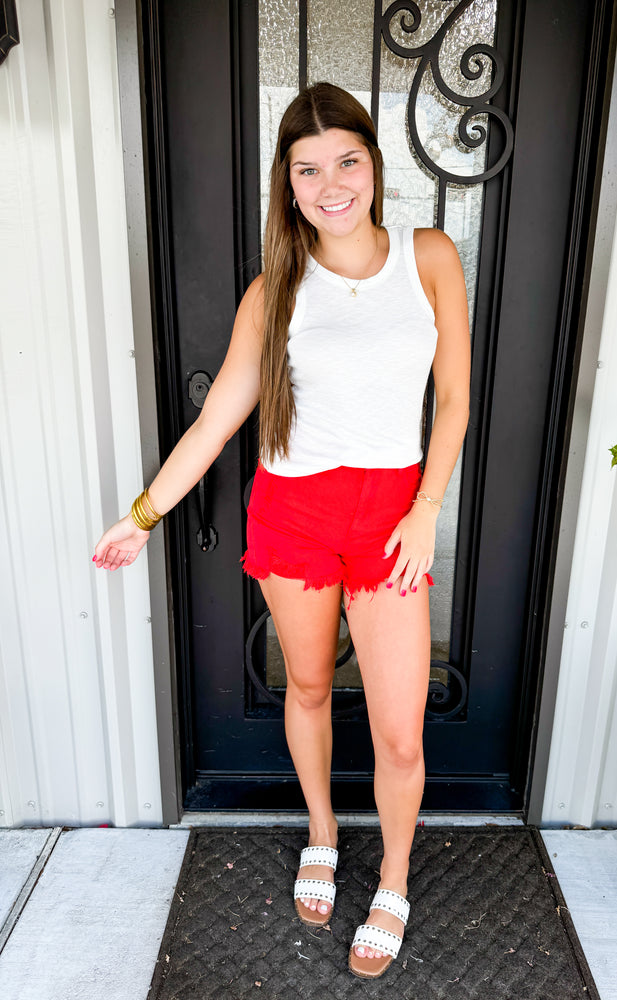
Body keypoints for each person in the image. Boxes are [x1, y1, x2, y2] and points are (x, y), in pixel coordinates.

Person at [93, 82, 470, 980]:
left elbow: (451, 401)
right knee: (305, 688)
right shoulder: (277, 290)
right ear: (287, 182)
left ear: (374, 165)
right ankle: (323, 834)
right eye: (308, 168)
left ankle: (396, 880)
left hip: (391, 517)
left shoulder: (428, 257)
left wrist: (425, 510)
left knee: (401, 730)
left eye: (347, 160)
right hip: (294, 512)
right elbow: (219, 418)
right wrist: (142, 517)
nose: (330, 183)